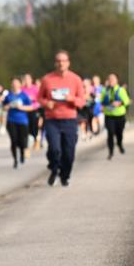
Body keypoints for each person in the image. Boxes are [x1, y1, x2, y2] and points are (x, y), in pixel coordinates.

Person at [38, 50, 86, 187]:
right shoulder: (47, 79)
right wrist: (46, 103)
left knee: (69, 153)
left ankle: (65, 176)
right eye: (58, 61)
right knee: (54, 149)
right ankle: (54, 169)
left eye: (63, 61)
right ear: (55, 63)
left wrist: (72, 99)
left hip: (69, 120)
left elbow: (82, 101)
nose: (61, 63)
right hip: (52, 120)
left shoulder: (75, 79)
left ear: (68, 63)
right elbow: (39, 98)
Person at [2, 78, 34, 168]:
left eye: (16, 83)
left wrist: (21, 107)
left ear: (20, 85)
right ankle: (15, 160)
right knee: (13, 140)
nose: (15, 85)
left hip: (22, 120)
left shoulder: (24, 95)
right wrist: (8, 106)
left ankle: (22, 153)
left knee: (22, 141)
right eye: (13, 83)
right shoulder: (8, 95)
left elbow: (31, 107)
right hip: (11, 120)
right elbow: (3, 107)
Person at [101, 73, 131, 159]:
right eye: (109, 79)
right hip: (109, 115)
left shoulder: (121, 90)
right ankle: (110, 152)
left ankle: (119, 144)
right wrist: (105, 104)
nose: (111, 81)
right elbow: (101, 101)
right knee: (110, 133)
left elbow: (127, 101)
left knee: (119, 133)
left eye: (113, 79)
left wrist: (120, 103)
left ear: (117, 80)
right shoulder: (104, 90)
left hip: (120, 116)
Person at [21, 74, 42, 151]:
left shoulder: (35, 88)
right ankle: (26, 144)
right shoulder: (22, 89)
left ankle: (36, 141)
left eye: (28, 79)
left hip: (34, 109)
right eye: (25, 79)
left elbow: (40, 98)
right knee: (26, 126)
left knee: (35, 126)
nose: (27, 81)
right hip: (25, 110)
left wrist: (33, 98)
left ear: (31, 80)